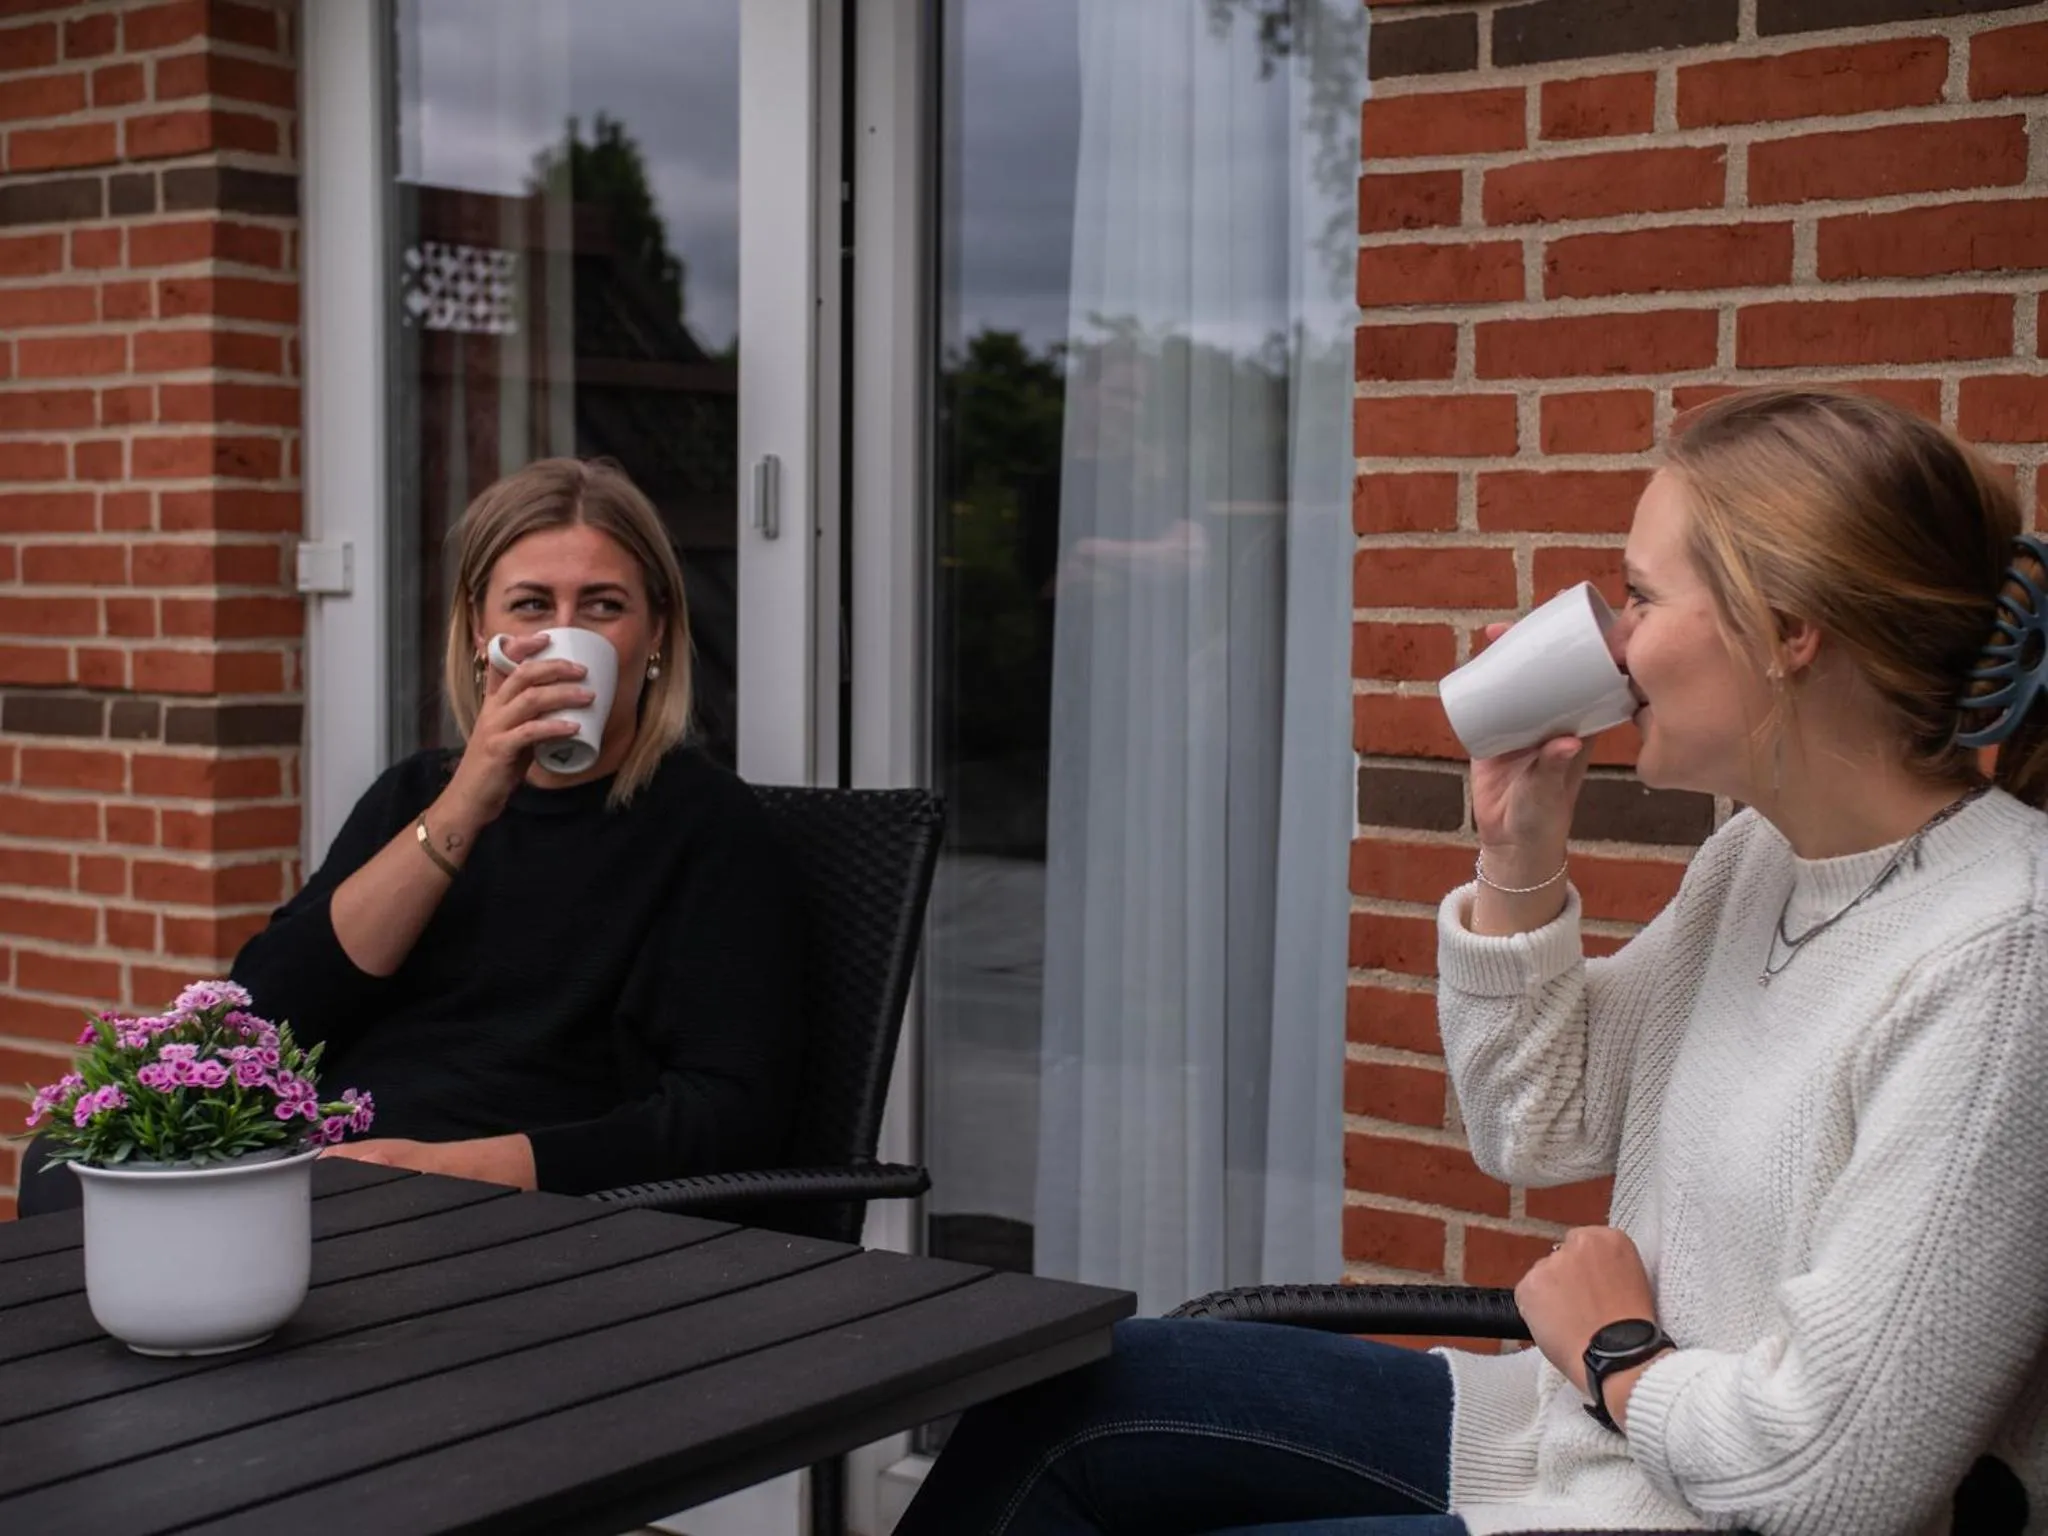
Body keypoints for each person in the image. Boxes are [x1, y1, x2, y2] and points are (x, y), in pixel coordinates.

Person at [894, 389, 2048, 1536]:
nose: (1612, 637)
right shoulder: (1761, 858)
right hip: (1571, 1447)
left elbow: (1831, 1480)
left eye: (1639, 596)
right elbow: (1532, 1129)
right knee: (1064, 1399)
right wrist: (1517, 857)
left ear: (1789, 631)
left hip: (1686, 1508)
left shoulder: (2001, 958)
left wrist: (1612, 1351)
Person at [19, 457, 802, 1214]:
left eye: (602, 606)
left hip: (509, 1198)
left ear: (656, 632)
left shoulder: (709, 827)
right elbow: (266, 1013)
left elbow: (729, 1113)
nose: (563, 635)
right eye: (531, 605)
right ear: (478, 632)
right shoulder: (420, 792)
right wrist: (468, 802)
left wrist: (453, 1167)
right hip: (336, 1158)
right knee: (63, 1167)